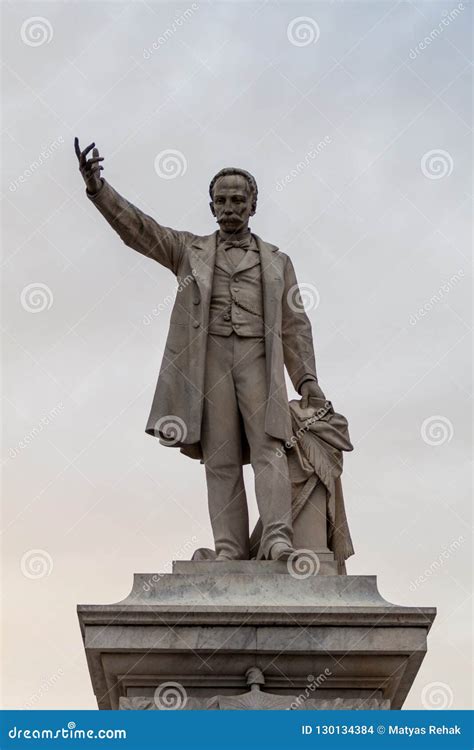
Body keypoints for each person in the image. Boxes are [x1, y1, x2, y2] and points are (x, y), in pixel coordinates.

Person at [75, 138, 326, 561]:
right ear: (211, 206)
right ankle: (229, 549)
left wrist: (307, 380)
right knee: (221, 457)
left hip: (259, 362)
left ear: (253, 205)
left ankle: (277, 540)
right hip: (208, 361)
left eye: (238, 199)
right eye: (221, 200)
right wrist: (99, 189)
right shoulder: (189, 252)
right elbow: (140, 230)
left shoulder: (277, 261)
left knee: (270, 449)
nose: (230, 206)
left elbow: (295, 324)